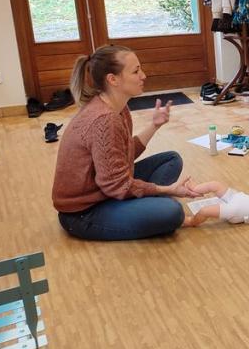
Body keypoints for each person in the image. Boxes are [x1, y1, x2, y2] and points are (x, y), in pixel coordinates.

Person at [52, 45, 198, 241]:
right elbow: (117, 186)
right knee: (173, 211)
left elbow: (122, 155)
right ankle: (146, 210)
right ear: (112, 79)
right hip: (83, 213)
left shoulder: (118, 108)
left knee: (171, 159)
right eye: (136, 71)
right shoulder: (104, 119)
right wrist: (169, 190)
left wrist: (154, 125)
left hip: (105, 191)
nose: (143, 75)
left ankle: (142, 209)